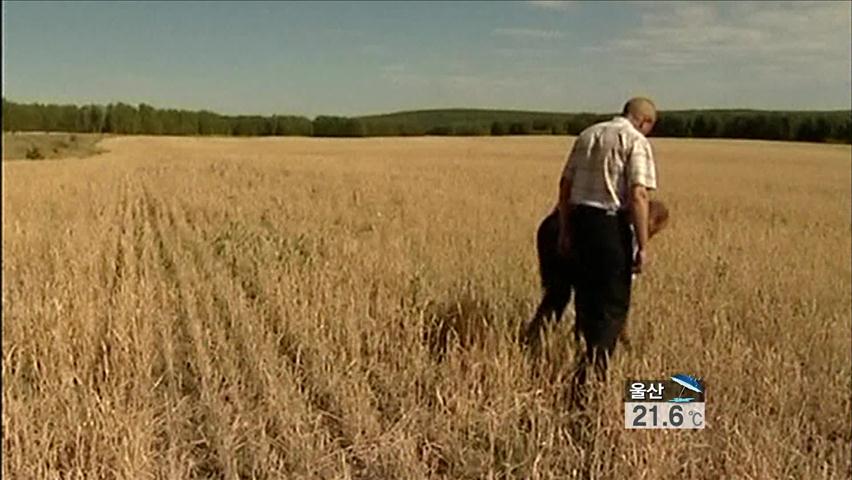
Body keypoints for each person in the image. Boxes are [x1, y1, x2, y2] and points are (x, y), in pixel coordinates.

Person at [557, 97, 658, 388]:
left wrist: (565, 230)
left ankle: (585, 367)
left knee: (587, 301)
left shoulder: (588, 134)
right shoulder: (635, 140)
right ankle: (590, 380)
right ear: (645, 121)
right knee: (612, 306)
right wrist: (643, 244)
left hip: (579, 223)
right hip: (610, 227)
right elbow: (639, 195)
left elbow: (564, 186)